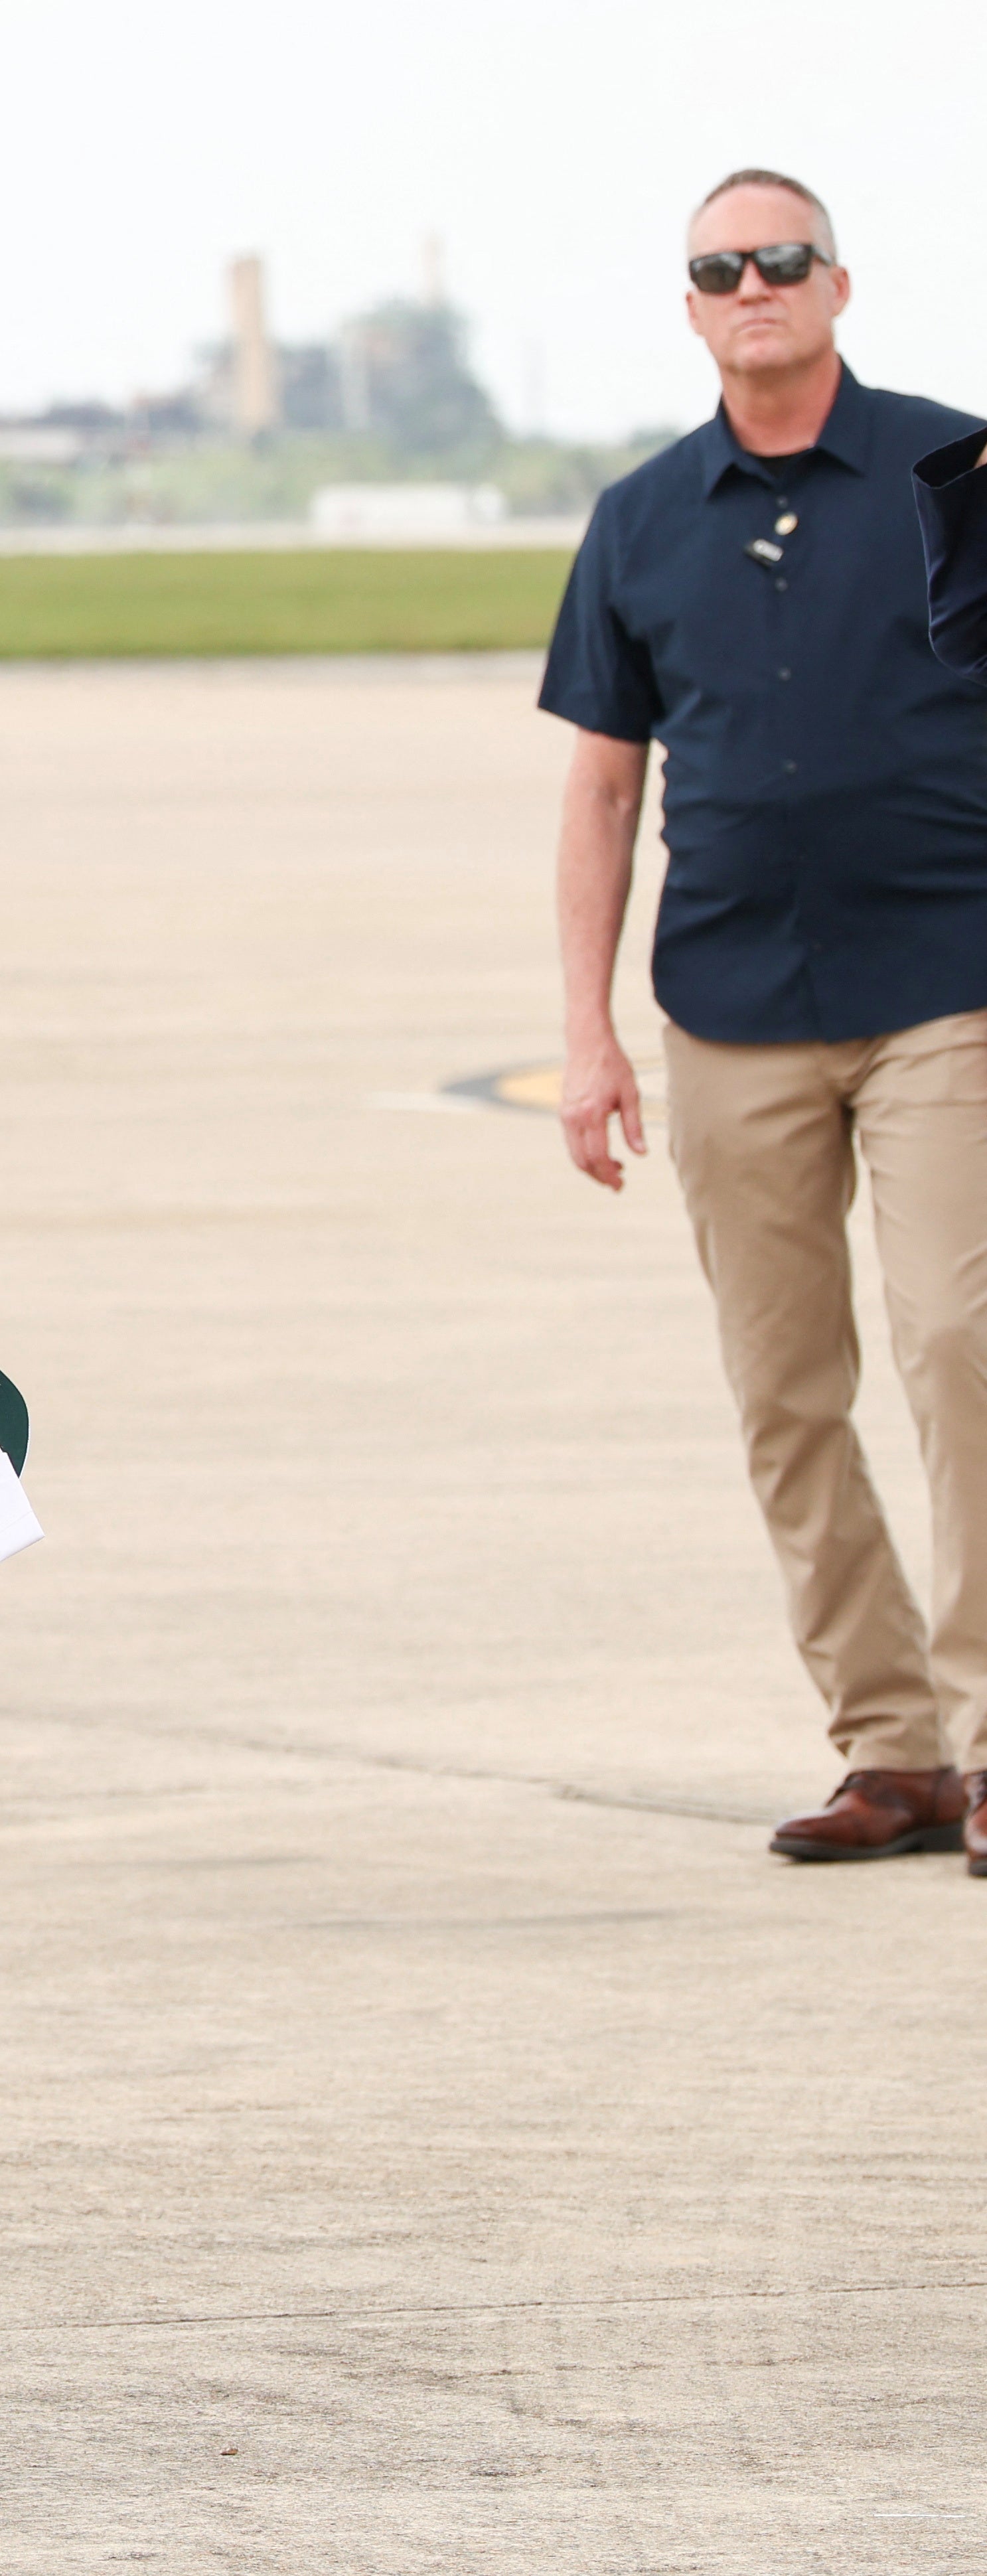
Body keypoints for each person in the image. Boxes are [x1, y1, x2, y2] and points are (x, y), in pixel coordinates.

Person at [548, 169, 987, 1873]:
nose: (752, 285)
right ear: (686, 307)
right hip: (724, 1004)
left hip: (943, 984)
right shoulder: (638, 518)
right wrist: (579, 1036)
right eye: (718, 268)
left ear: (835, 283)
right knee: (782, 1389)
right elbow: (597, 790)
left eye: (779, 259)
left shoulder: (955, 471)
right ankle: (891, 1750)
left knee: (961, 1341)